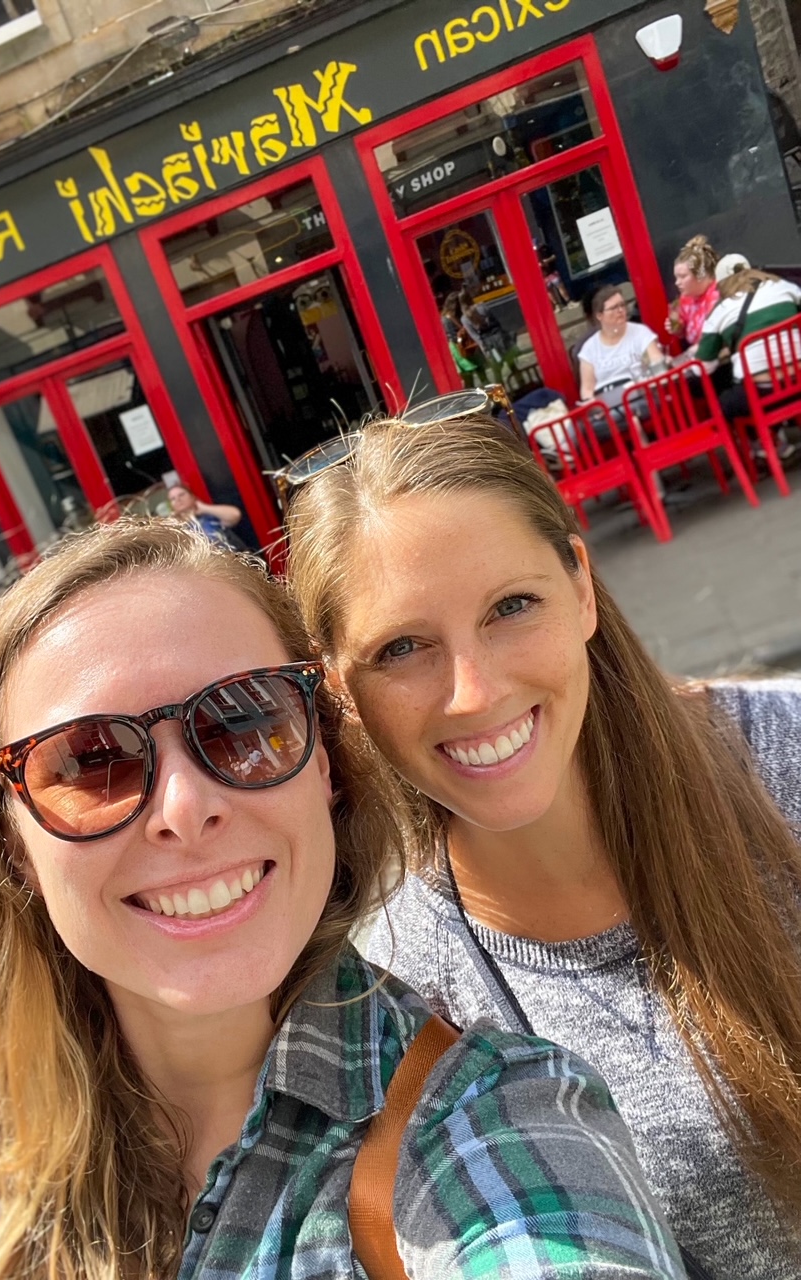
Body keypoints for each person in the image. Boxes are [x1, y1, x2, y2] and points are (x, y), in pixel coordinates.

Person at [0, 518, 686, 1280]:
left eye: (242, 723)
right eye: (91, 761)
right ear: (12, 847)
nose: (185, 807)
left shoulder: (488, 1122)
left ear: (324, 763)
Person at [285, 415, 801, 1279]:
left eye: (511, 607)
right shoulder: (409, 989)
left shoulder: (783, 765)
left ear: (583, 589)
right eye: (402, 648)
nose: (475, 691)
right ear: (341, 690)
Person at [696, 253, 801, 456]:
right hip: (798, 380)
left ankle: (764, 445)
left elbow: (703, 367)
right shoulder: (783, 287)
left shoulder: (719, 312)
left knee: (724, 403)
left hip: (763, 393)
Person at [578, 285, 664, 406]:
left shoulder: (640, 333)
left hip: (641, 397)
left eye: (622, 305)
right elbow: (587, 389)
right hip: (607, 407)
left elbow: (656, 363)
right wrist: (595, 407)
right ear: (599, 315)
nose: (620, 310)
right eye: (613, 308)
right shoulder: (588, 349)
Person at [665, 236, 720, 361]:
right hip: (702, 360)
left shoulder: (718, 295)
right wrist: (677, 328)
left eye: (683, 276)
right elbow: (682, 331)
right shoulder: (685, 299)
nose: (677, 283)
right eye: (676, 277)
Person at [168, 482, 244, 547]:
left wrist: (204, 508)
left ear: (192, 496)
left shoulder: (209, 516)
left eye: (181, 495)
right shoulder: (176, 528)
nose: (178, 499)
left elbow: (235, 515)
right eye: (173, 499)